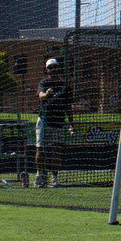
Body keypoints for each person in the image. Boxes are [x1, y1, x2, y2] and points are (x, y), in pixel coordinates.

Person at [34, 57, 74, 187]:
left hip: (59, 122)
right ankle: (40, 174)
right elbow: (40, 96)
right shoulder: (43, 83)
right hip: (44, 120)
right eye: (50, 68)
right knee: (40, 149)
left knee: (56, 150)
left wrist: (71, 124)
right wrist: (47, 94)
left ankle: (54, 177)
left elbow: (69, 107)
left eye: (55, 67)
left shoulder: (65, 86)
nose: (53, 70)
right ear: (46, 70)